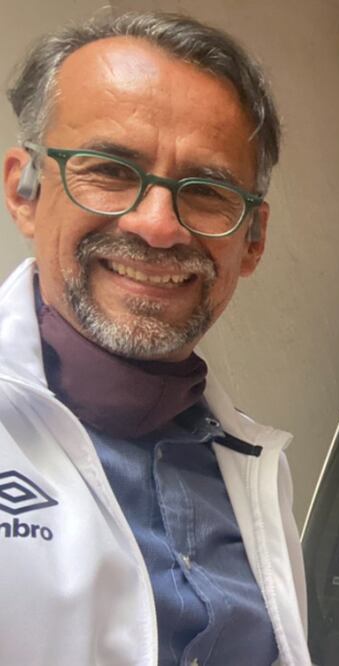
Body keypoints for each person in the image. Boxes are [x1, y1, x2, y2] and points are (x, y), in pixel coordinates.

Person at [0, 12, 310, 665]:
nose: (159, 225)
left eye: (208, 192)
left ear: (251, 242)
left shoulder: (256, 465)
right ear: (25, 192)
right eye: (110, 169)